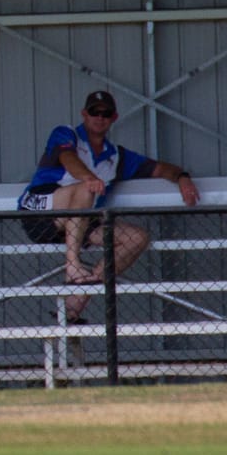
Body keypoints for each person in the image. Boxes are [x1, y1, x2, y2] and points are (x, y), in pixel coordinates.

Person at [15, 89, 199, 320]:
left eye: (106, 113)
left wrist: (182, 176)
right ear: (84, 114)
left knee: (137, 238)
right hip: (40, 212)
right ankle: (72, 265)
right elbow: (67, 158)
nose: (99, 117)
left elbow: (160, 168)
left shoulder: (117, 157)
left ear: (114, 118)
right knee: (85, 190)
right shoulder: (66, 134)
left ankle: (77, 302)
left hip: (79, 220)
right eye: (94, 112)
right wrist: (88, 178)